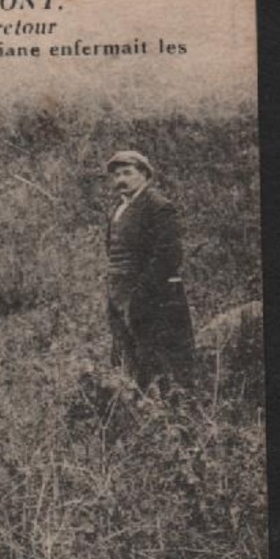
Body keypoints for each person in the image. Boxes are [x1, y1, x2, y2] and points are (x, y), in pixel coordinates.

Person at [104, 150, 194, 393]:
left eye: (127, 173)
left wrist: (141, 294)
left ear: (144, 174)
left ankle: (169, 418)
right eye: (116, 175)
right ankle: (138, 414)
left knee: (159, 362)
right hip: (119, 295)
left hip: (153, 297)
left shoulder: (158, 206)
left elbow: (168, 256)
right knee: (127, 358)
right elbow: (113, 252)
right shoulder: (118, 209)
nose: (121, 179)